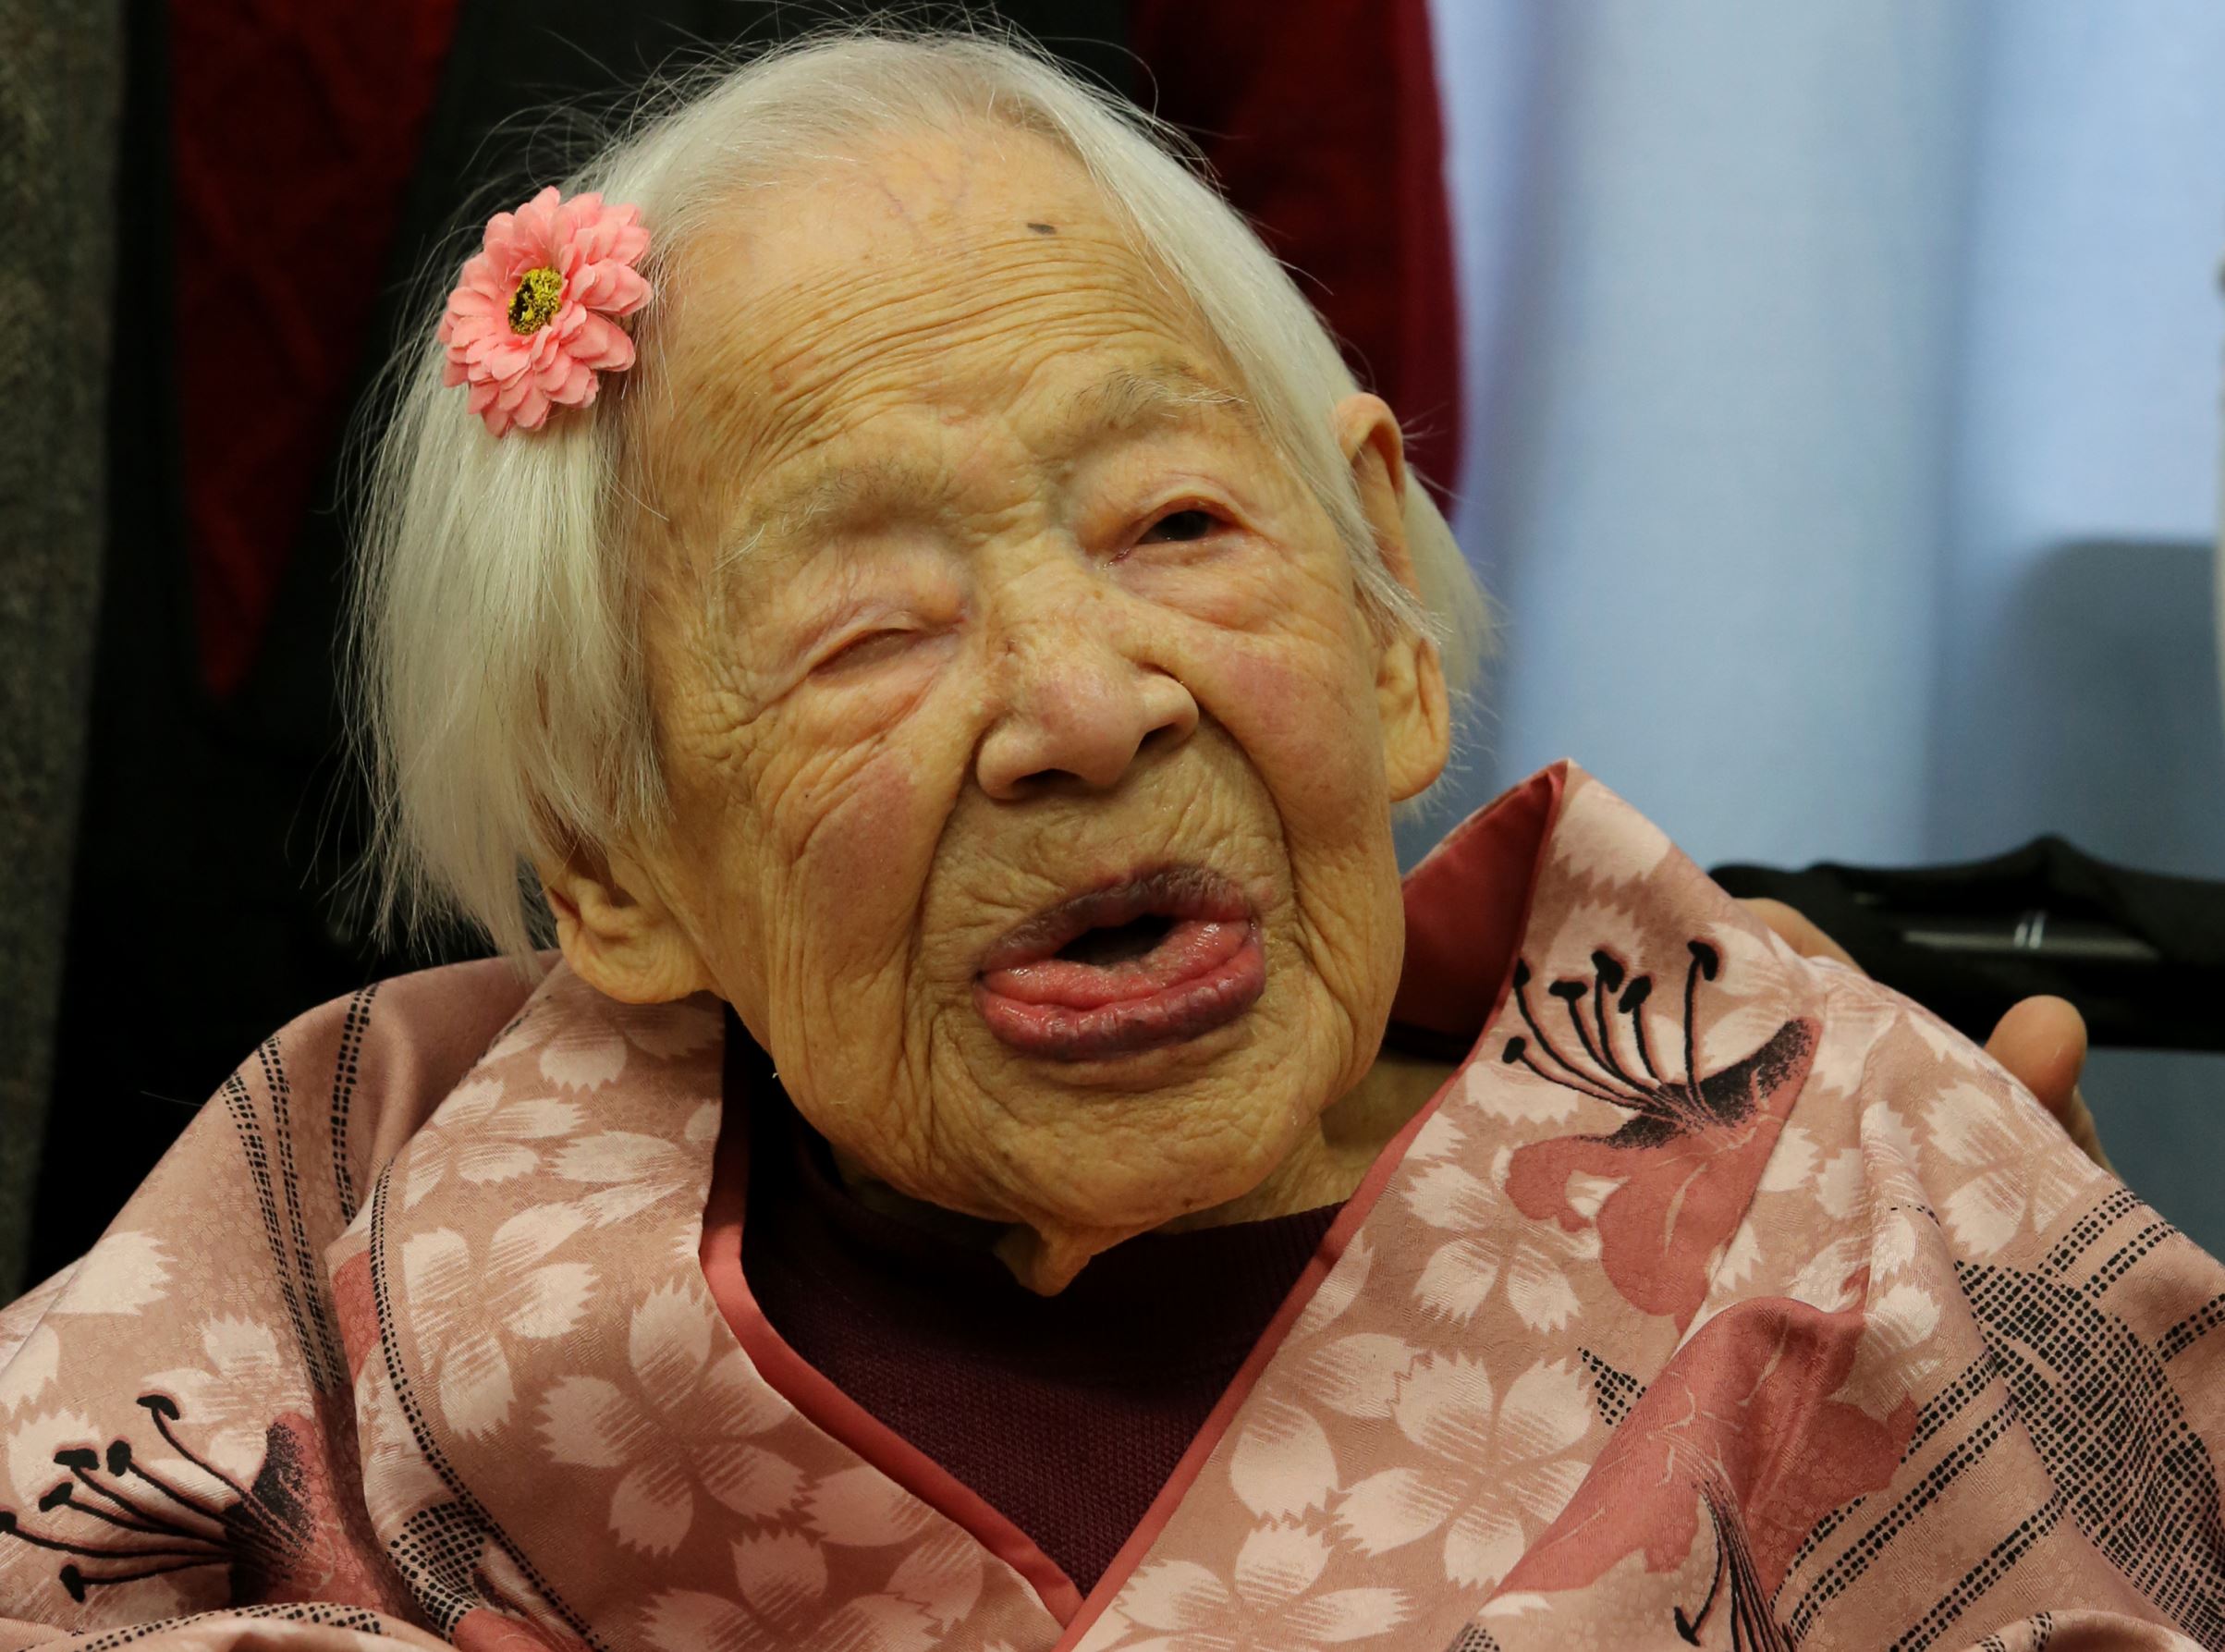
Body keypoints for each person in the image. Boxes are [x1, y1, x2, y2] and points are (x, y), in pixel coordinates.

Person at [0, 29, 2212, 1651]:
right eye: (867, 632)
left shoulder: (1859, 1197)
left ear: (1385, 615)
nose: (1082, 708)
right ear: (613, 861)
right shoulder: (363, 1189)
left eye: (1176, 526)